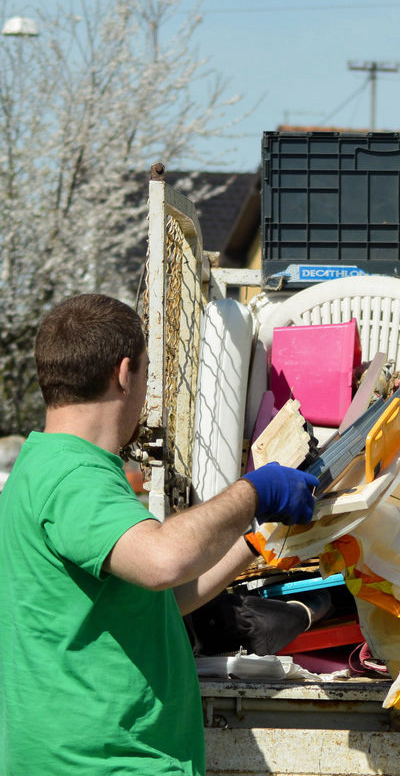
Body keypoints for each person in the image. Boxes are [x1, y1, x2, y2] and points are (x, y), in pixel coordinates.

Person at [0, 293, 318, 774]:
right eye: (147, 372)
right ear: (124, 372)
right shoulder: (73, 478)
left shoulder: (52, 465)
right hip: (101, 764)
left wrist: (258, 536)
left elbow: (161, 598)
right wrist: (252, 491)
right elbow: (162, 560)